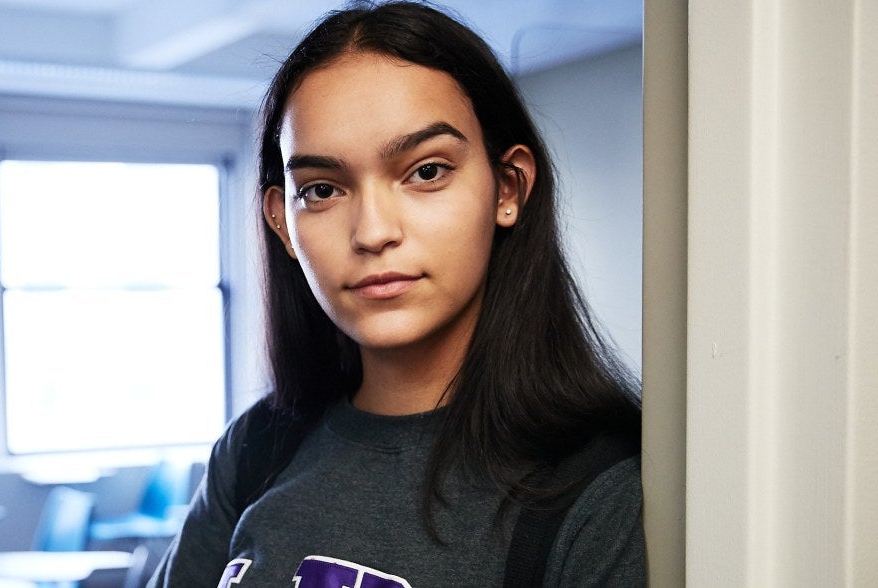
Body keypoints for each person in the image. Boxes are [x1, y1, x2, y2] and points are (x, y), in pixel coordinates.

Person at [146, 2, 644, 587]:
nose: (373, 231)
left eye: (426, 172)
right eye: (324, 189)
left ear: (507, 189)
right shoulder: (257, 449)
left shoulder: (600, 488)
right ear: (282, 222)